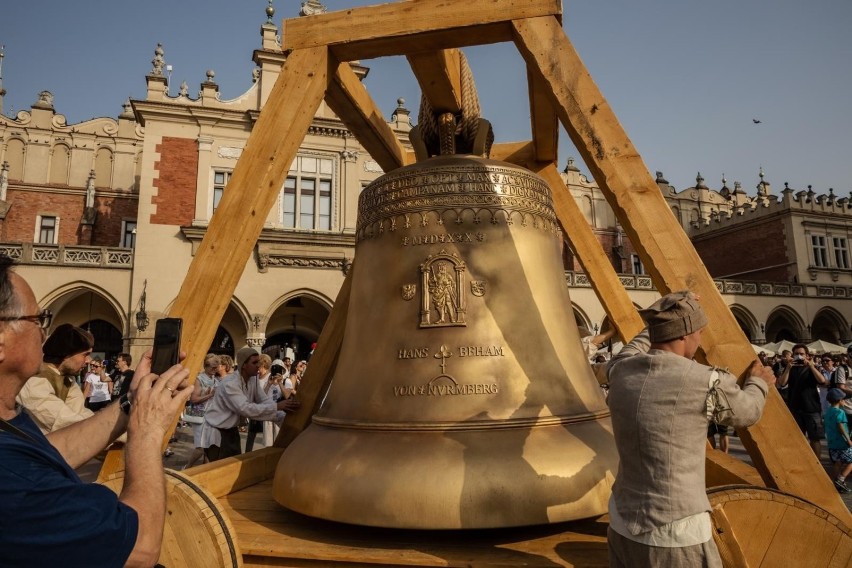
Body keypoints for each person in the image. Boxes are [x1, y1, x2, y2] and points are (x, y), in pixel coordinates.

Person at [0, 254, 193, 566]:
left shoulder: (8, 428)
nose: (44, 333)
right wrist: (146, 432)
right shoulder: (12, 477)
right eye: (38, 321)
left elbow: (47, 451)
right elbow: (140, 547)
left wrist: (130, 404)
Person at [606, 290, 774, 568]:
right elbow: (748, 412)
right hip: (675, 532)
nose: (699, 338)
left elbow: (632, 348)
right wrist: (759, 382)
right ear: (685, 333)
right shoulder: (705, 380)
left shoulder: (621, 370)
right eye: (698, 331)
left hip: (622, 521)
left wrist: (667, 311)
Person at [200, 346, 300, 462]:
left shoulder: (253, 379)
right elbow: (245, 409)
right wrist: (277, 406)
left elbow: (264, 401)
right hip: (217, 432)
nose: (258, 365)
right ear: (244, 365)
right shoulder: (230, 384)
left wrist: (286, 419)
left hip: (231, 431)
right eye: (254, 362)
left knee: (232, 466)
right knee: (218, 471)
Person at [16, 323, 95, 434]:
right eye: (85, 354)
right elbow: (65, 421)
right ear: (66, 354)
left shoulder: (68, 380)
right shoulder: (34, 380)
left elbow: (81, 414)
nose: (88, 360)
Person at [777, 344, 828, 458]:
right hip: (795, 408)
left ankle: (818, 463)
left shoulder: (812, 367)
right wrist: (788, 368)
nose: (799, 356)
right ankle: (803, 461)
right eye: (796, 354)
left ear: (807, 355)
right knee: (799, 439)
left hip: (812, 408)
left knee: (815, 439)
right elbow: (782, 383)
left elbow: (822, 381)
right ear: (792, 355)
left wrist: (811, 366)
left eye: (801, 354)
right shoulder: (790, 367)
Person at [183, 353, 220, 469]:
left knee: (208, 446)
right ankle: (186, 468)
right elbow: (193, 399)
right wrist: (209, 395)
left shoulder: (214, 378)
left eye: (216, 367)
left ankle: (205, 470)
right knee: (200, 447)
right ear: (206, 366)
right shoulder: (200, 379)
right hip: (200, 416)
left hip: (210, 416)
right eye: (212, 367)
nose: (215, 369)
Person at [824, 388, 852, 493]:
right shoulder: (840, 412)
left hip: (832, 443)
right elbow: (841, 426)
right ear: (840, 400)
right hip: (842, 443)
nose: (845, 401)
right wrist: (848, 440)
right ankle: (841, 478)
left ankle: (836, 483)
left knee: (837, 462)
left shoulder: (828, 412)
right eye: (844, 399)